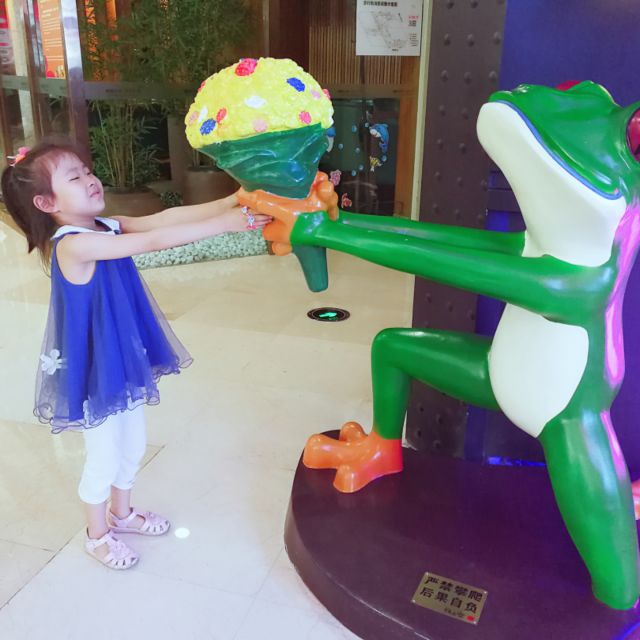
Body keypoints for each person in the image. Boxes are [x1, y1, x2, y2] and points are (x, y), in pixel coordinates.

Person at [0, 139, 271, 570]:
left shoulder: (106, 225)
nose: (90, 179)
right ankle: (97, 536)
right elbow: (153, 240)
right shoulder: (72, 245)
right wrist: (226, 224)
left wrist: (229, 201)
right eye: (75, 177)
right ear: (47, 203)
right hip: (96, 367)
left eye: (87, 170)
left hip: (121, 354)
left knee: (133, 443)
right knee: (103, 456)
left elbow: (163, 219)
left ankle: (121, 514)